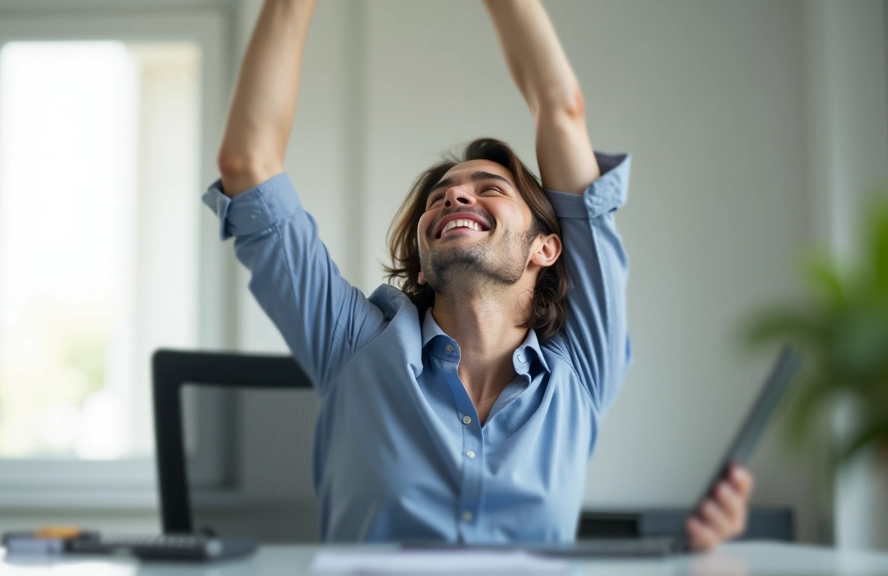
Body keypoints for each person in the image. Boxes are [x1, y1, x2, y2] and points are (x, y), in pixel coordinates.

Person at [205, 0, 753, 551]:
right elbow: (248, 165)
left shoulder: (581, 366)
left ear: (546, 247)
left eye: (489, 188)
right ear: (422, 261)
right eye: (438, 199)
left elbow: (562, 108)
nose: (455, 195)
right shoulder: (352, 345)